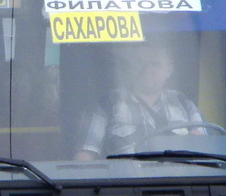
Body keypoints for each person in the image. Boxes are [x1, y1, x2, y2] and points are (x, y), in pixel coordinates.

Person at [74, 48, 203, 160]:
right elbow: (84, 158)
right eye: (140, 63)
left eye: (155, 64)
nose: (147, 69)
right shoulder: (106, 103)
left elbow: (204, 151)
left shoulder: (183, 103)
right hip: (125, 185)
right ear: (130, 68)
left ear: (169, 70)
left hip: (179, 183)